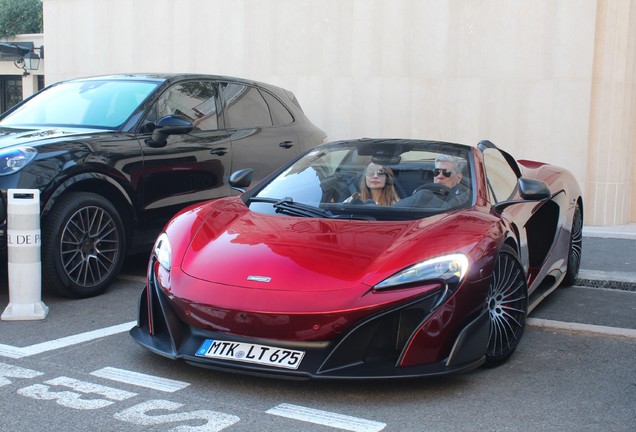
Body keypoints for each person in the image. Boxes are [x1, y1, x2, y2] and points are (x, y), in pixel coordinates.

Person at [395, 154, 469, 208]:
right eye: (437, 172)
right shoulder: (422, 194)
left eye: (446, 172)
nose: (439, 176)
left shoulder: (466, 198)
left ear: (458, 178)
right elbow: (397, 209)